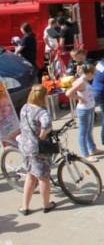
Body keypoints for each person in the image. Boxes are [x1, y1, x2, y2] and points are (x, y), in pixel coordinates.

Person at [18, 84, 56, 215]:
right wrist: (42, 135)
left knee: (30, 176)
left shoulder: (25, 108)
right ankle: (46, 205)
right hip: (37, 148)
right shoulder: (42, 112)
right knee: (43, 177)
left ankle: (25, 207)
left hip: (25, 146)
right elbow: (46, 126)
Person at [66, 64, 104, 162]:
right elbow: (68, 93)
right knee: (83, 132)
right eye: (93, 74)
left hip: (90, 107)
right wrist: (80, 98)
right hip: (84, 109)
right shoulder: (81, 82)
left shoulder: (84, 80)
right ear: (88, 73)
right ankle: (85, 154)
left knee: (89, 130)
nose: (94, 76)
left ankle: (92, 149)